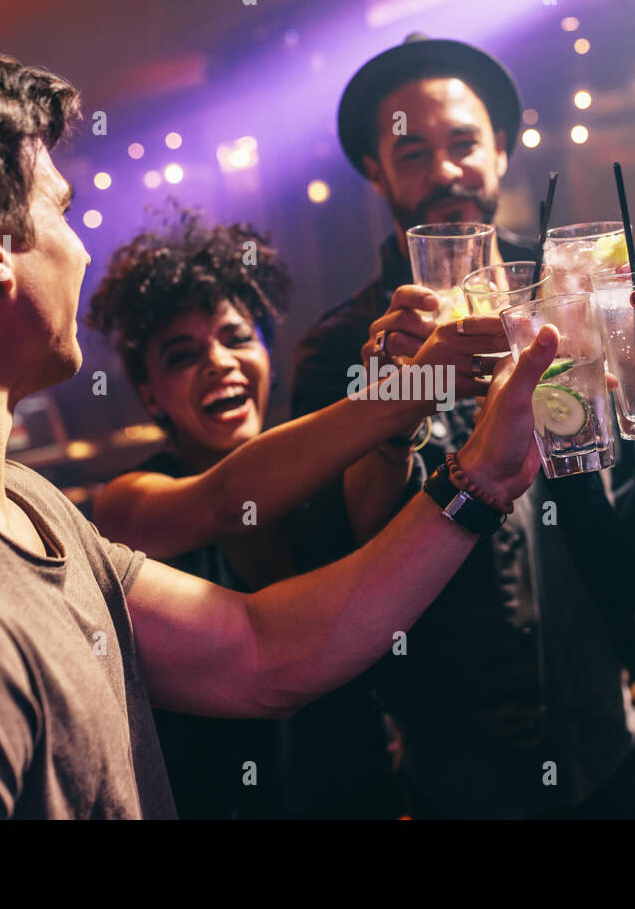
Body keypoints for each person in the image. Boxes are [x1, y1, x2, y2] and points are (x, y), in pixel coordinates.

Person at [0, 28, 557, 818]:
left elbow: (264, 653)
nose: (78, 249)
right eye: (62, 211)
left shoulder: (26, 505)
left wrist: (476, 481)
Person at [291, 33, 635, 818]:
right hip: (457, 766)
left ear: (500, 149)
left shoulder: (571, 294)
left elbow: (627, 493)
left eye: (463, 143)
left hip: (604, 736)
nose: (443, 170)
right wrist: (392, 404)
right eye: (411, 152)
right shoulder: (342, 346)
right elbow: (340, 551)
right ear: (375, 171)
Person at [88, 210, 447, 817]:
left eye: (235, 338)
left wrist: (400, 411)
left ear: (267, 354)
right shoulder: (128, 501)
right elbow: (224, 503)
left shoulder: (321, 473)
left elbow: (376, 502)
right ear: (150, 394)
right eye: (182, 355)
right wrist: (406, 392)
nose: (220, 362)